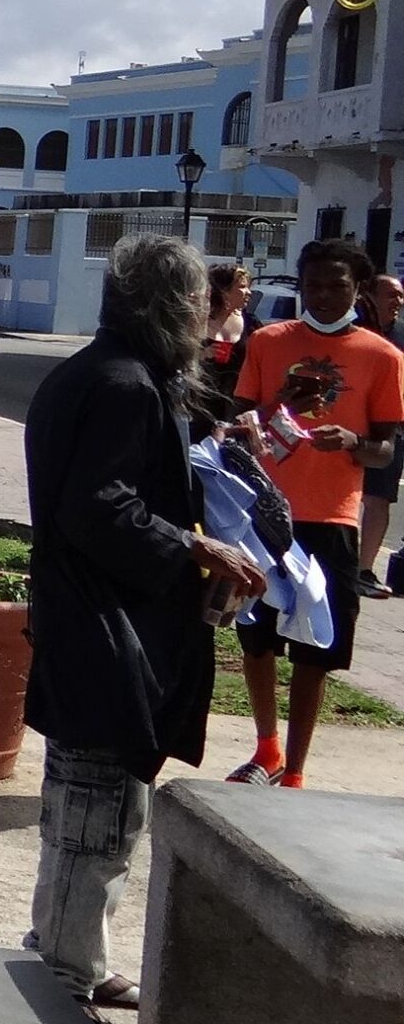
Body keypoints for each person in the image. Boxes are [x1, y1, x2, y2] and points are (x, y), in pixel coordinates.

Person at [24, 235, 268, 1024]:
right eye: (198, 301)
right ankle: (61, 988)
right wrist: (197, 548)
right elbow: (100, 508)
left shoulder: (107, 375)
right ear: (170, 305)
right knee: (93, 815)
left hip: (88, 621)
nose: (207, 316)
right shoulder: (123, 386)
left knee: (96, 805)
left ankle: (73, 956)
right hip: (102, 630)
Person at [227, 239, 404, 787]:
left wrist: (353, 441)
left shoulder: (383, 356)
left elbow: (385, 449)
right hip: (262, 512)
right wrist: (277, 405)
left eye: (337, 285)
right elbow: (237, 426)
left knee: (316, 648)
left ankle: (297, 769)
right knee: (256, 637)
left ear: (358, 289)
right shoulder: (268, 341)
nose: (323, 296)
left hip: (332, 519)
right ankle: (267, 749)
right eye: (313, 285)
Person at [361, 272, 403, 598]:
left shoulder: (401, 335)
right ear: (370, 297)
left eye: (400, 296)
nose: (398, 301)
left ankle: (364, 569)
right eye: (391, 294)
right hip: (351, 424)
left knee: (379, 500)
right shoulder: (354, 328)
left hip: (389, 429)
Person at [200, 262, 251, 404]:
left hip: (237, 402)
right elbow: (177, 359)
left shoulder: (251, 323)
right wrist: (204, 354)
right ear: (224, 291)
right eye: (242, 287)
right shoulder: (198, 322)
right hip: (201, 401)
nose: (249, 292)